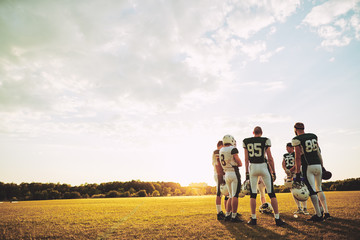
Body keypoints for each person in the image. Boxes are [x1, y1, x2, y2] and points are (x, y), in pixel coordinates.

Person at [243, 126, 285, 226]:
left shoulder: (246, 141)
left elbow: (246, 159)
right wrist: (274, 172)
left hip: (253, 167)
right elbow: (270, 157)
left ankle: (253, 218)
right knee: (271, 194)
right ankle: (277, 218)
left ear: (253, 132)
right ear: (261, 133)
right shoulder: (265, 140)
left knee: (253, 195)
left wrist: (246, 173)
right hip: (263, 166)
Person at [292, 122, 332, 221]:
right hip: (318, 164)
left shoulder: (296, 139)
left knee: (312, 190)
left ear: (295, 129)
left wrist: (297, 173)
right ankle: (326, 212)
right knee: (319, 188)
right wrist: (323, 167)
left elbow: (297, 157)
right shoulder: (313, 136)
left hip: (308, 165)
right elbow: (319, 152)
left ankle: (318, 215)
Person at [219, 134, 243, 222]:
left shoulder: (221, 149)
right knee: (235, 195)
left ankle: (227, 215)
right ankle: (234, 216)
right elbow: (239, 162)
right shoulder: (232, 149)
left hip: (227, 173)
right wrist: (239, 163)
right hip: (234, 173)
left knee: (230, 195)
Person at [282, 142, 309, 215]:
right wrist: (285, 170)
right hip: (289, 175)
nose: (286, 149)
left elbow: (297, 162)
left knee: (301, 189)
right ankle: (299, 208)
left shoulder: (295, 153)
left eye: (287, 147)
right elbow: (283, 163)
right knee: (293, 191)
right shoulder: (285, 155)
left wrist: (290, 170)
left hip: (296, 173)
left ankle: (305, 208)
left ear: (291, 147)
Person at [212, 140, 228, 220]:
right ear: (220, 145)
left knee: (226, 193)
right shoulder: (217, 151)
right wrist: (221, 175)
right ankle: (219, 213)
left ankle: (228, 211)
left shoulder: (219, 151)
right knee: (219, 193)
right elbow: (218, 164)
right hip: (219, 174)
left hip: (221, 174)